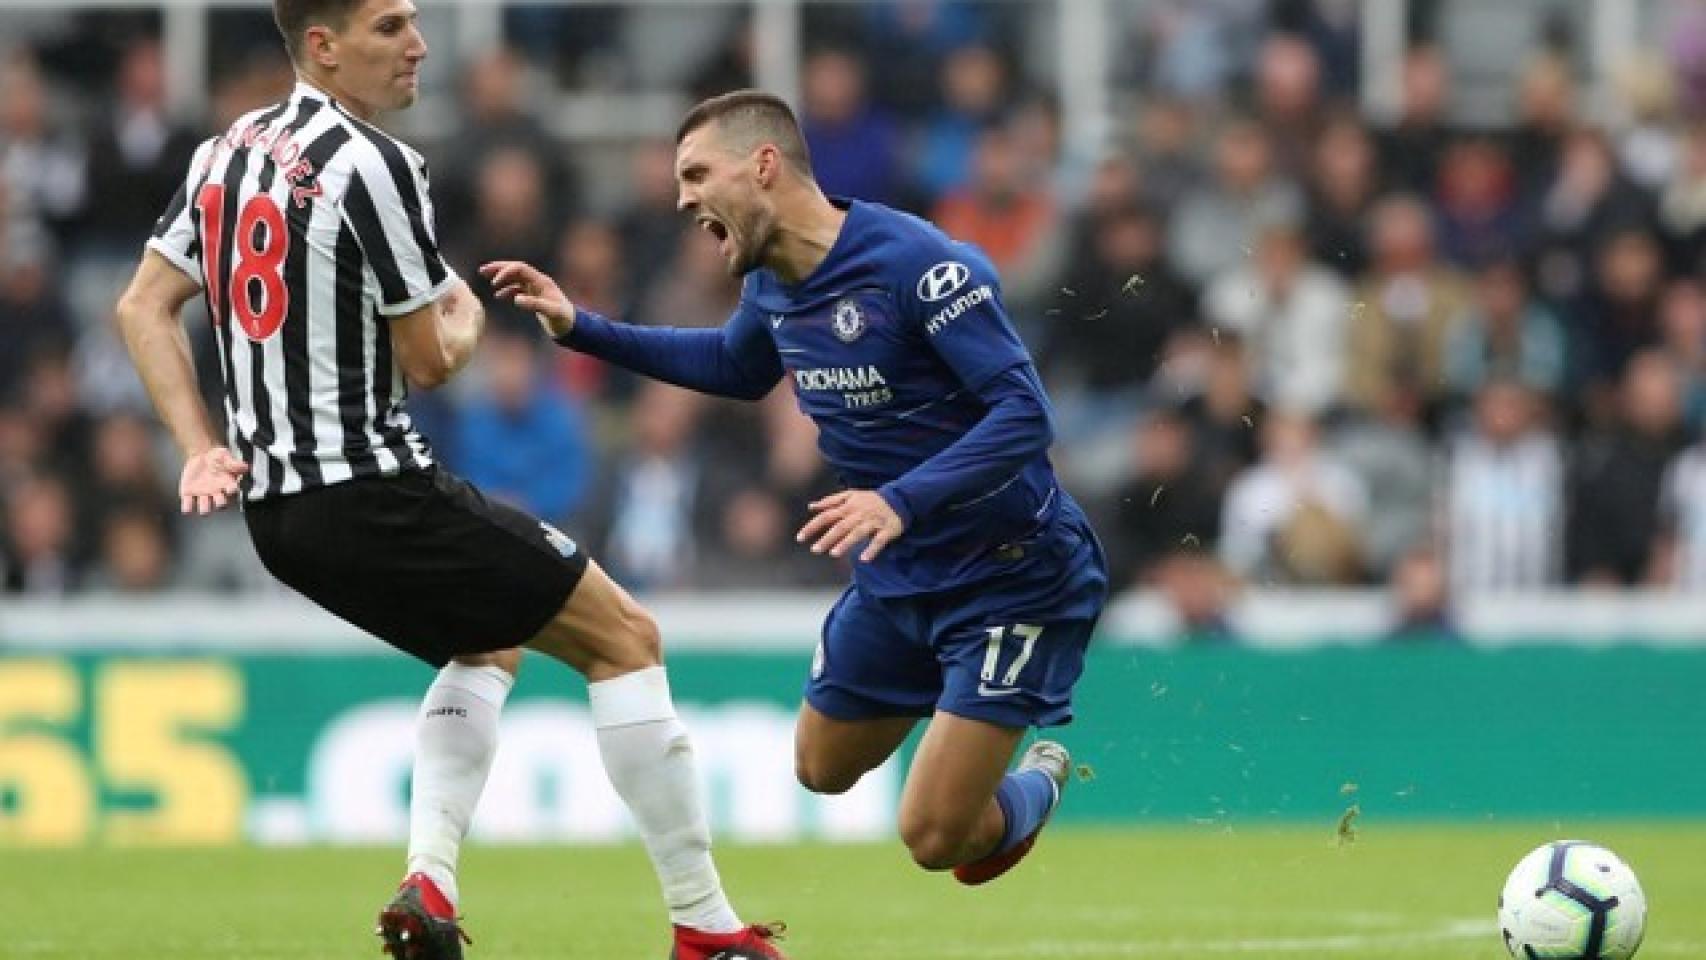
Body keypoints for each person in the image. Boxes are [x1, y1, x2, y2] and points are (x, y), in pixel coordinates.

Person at [112, 4, 786, 959]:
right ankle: (705, 926)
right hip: (375, 490)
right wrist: (466, 314)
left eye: (416, 22)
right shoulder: (377, 164)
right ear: (322, 45)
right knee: (626, 638)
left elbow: (142, 305)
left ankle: (429, 883)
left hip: (279, 519)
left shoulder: (225, 151)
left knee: (490, 646)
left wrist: (196, 443)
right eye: (390, 27)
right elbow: (431, 360)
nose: (419, 44)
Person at [484, 90, 1109, 887]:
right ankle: (965, 733)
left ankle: (1031, 781)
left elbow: (1025, 413)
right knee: (820, 767)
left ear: (764, 166)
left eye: (698, 173)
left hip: (1008, 573)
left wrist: (898, 500)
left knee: (931, 838)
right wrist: (583, 326)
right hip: (900, 572)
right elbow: (736, 368)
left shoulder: (920, 266)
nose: (682, 198)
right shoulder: (774, 285)